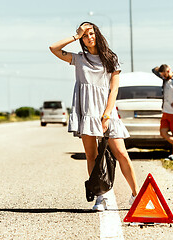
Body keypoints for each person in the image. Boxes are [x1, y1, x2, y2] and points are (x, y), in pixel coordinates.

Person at [49, 22, 139, 211]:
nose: (88, 37)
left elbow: (114, 89)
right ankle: (101, 197)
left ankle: (135, 195)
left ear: (97, 35)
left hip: (106, 112)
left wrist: (107, 114)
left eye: (91, 33)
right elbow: (54, 48)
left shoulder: (111, 59)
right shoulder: (79, 59)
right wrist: (75, 36)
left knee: (121, 153)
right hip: (87, 112)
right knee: (92, 156)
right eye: (84, 35)